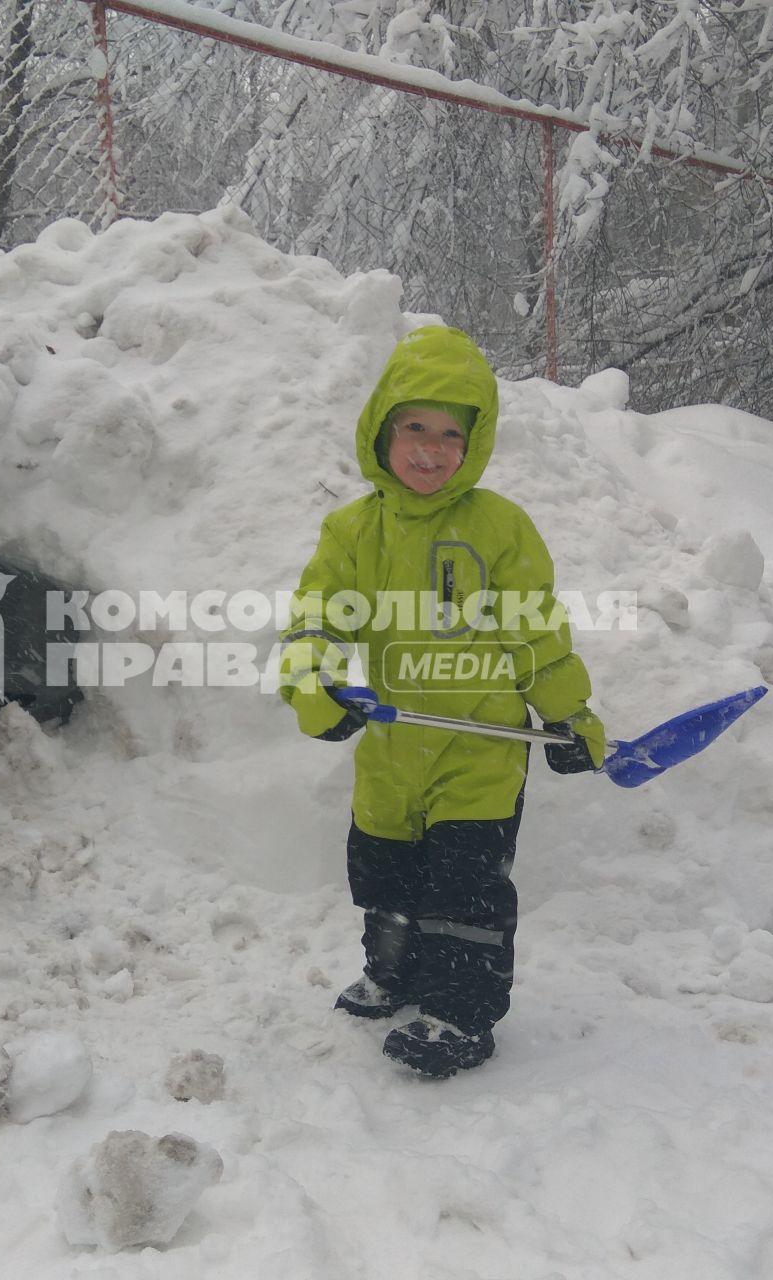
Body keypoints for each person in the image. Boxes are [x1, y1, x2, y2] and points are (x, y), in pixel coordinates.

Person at [277, 325, 605, 1079]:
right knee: (384, 872)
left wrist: (568, 713)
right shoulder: (353, 531)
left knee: (464, 889)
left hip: (480, 749)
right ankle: (395, 972)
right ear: (381, 432)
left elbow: (536, 636)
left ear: (475, 442)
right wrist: (315, 682)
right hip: (392, 744)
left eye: (450, 434)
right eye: (414, 428)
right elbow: (316, 616)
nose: (430, 449)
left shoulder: (498, 528)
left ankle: (459, 1012)